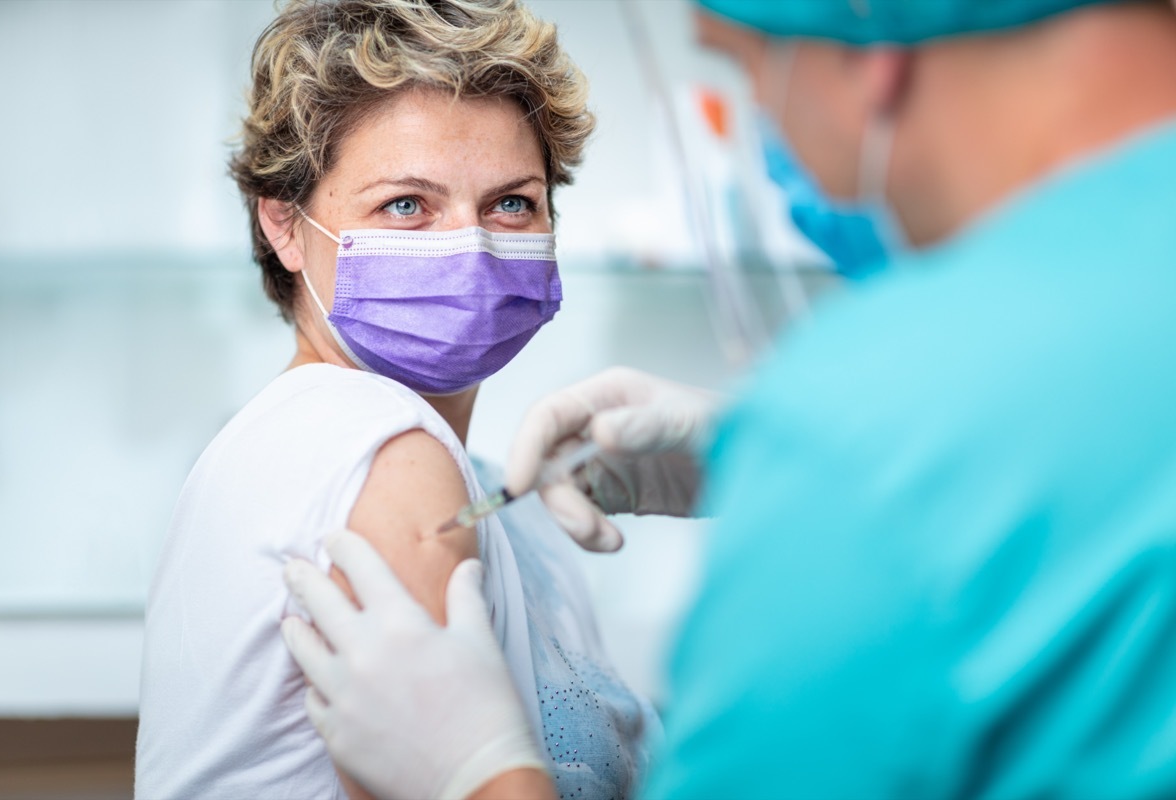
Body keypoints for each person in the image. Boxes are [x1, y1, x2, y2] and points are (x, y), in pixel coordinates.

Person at [280, 0, 1176, 797]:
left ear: (871, 49)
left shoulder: (867, 428)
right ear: (282, 223)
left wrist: (479, 777)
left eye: (750, 65)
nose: (768, 129)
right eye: (406, 205)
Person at [135, 1, 658, 798]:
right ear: (283, 223)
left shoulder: (492, 490)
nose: (471, 246)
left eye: (511, 202)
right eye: (406, 205)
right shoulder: (378, 445)